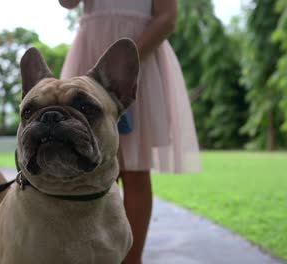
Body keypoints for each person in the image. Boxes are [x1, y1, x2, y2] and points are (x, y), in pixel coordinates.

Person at [59, 0, 201, 263]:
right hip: (90, 53)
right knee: (91, 169)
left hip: (140, 58)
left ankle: (131, 259)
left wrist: (125, 62)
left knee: (134, 170)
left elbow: (167, 17)